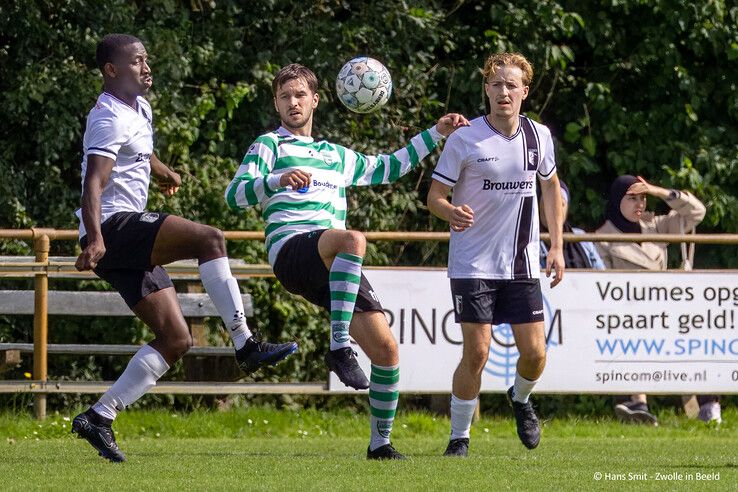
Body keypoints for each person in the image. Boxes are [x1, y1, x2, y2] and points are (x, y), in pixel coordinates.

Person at [70, 34, 298, 462]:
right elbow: (94, 182)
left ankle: (99, 417)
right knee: (209, 238)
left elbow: (138, 152)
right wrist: (96, 236)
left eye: (146, 58)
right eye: (135, 61)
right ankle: (246, 344)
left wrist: (162, 170)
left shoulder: (139, 107)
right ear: (111, 70)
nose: (145, 66)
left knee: (176, 339)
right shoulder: (106, 117)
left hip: (118, 233)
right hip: (112, 228)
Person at [225, 63, 469, 459]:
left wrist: (436, 133)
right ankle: (339, 347)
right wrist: (276, 180)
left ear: (315, 100)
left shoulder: (334, 156)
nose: (293, 102)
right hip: (292, 251)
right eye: (285, 96)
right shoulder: (269, 145)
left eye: (300, 95)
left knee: (387, 349)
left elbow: (390, 168)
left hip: (335, 261)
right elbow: (234, 196)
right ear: (276, 103)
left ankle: (380, 444)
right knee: (353, 238)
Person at [427, 52, 565, 457]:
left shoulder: (539, 135)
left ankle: (520, 399)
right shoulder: (465, 138)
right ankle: (459, 438)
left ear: (524, 91)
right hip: (472, 263)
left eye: (511, 85)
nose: (503, 92)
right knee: (478, 352)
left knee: (536, 354)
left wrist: (556, 245)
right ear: (486, 89)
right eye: (496, 84)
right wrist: (450, 210)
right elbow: (434, 197)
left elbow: (551, 187)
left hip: (521, 262)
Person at [595, 174, 719, 424]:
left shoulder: (657, 225)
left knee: (696, 333)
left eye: (643, 198)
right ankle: (639, 404)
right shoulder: (602, 238)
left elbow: (697, 212)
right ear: (618, 200)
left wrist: (659, 191)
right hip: (627, 313)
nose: (640, 204)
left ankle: (707, 405)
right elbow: (602, 287)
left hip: (667, 307)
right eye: (632, 198)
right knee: (631, 338)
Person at [539, 179, 605, 270]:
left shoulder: (581, 238)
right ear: (539, 206)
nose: (555, 210)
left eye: (561, 204)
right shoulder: (530, 241)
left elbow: (602, 274)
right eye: (550, 204)